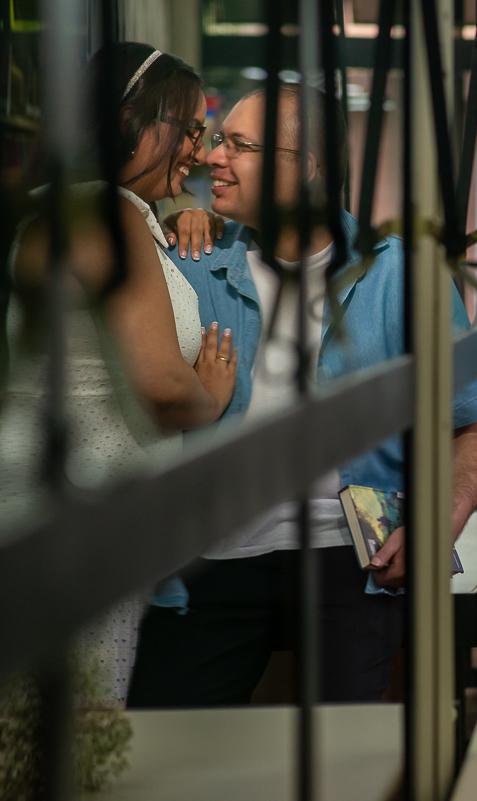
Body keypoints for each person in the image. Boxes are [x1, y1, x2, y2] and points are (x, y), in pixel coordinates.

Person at [126, 84, 477, 705]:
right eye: (217, 139)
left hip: (349, 551)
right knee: (171, 736)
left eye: (238, 145)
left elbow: (473, 423)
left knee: (346, 751)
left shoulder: (401, 274)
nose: (211, 158)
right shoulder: (192, 263)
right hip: (209, 554)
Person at [0, 43, 236, 705]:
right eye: (190, 128)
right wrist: (211, 398)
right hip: (80, 520)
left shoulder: (69, 205)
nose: (197, 149)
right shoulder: (104, 214)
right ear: (135, 118)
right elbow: (160, 385)